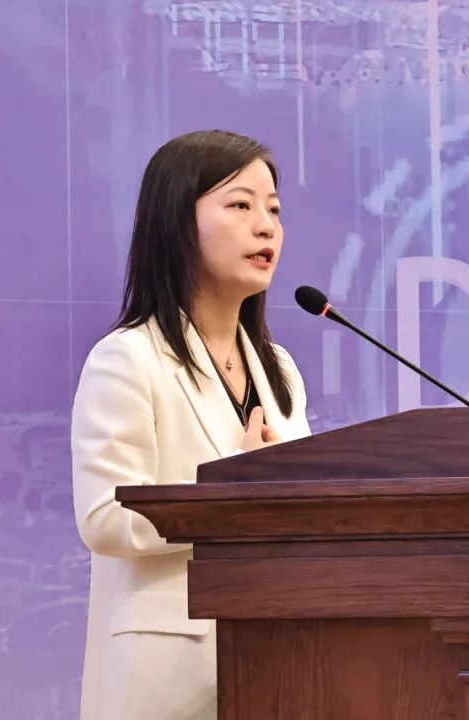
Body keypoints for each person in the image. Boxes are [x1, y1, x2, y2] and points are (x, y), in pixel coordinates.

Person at [70, 130, 311, 719]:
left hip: (276, 660)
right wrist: (231, 494)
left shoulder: (278, 369)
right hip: (166, 675)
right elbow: (104, 518)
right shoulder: (129, 358)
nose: (266, 227)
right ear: (178, 223)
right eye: (240, 205)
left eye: (274, 209)